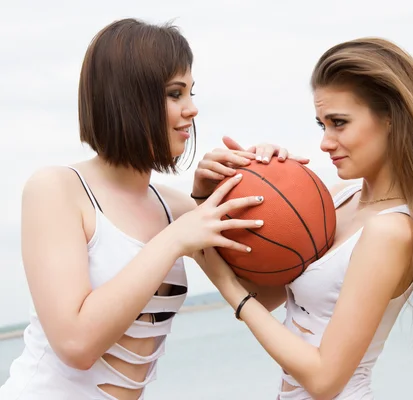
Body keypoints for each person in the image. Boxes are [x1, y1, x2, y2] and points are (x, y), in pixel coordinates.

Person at [194, 38, 413, 399]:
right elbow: (265, 297)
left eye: (339, 123)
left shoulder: (392, 230)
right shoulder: (335, 201)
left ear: (392, 120)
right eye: (322, 125)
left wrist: (229, 290)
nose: (325, 142)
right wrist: (217, 192)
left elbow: (324, 380)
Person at [0, 18, 295, 399]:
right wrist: (174, 239)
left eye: (191, 92)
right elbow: (76, 345)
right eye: (175, 94)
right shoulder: (57, 189)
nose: (192, 109)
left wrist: (272, 180)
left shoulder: (175, 206)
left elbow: (261, 298)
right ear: (128, 99)